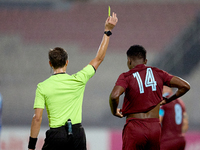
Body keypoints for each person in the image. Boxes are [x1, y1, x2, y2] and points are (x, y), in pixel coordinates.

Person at [28, 12, 118, 150]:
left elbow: (37, 118)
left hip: (56, 136)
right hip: (77, 134)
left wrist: (31, 146)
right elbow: (99, 58)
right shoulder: (78, 80)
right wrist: (108, 31)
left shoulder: (42, 87)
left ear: (50, 64)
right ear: (67, 62)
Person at [109, 45, 190, 150]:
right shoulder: (158, 73)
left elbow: (114, 96)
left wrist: (114, 111)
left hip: (135, 127)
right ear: (145, 61)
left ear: (129, 61)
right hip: (154, 128)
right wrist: (168, 100)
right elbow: (185, 86)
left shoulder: (126, 76)